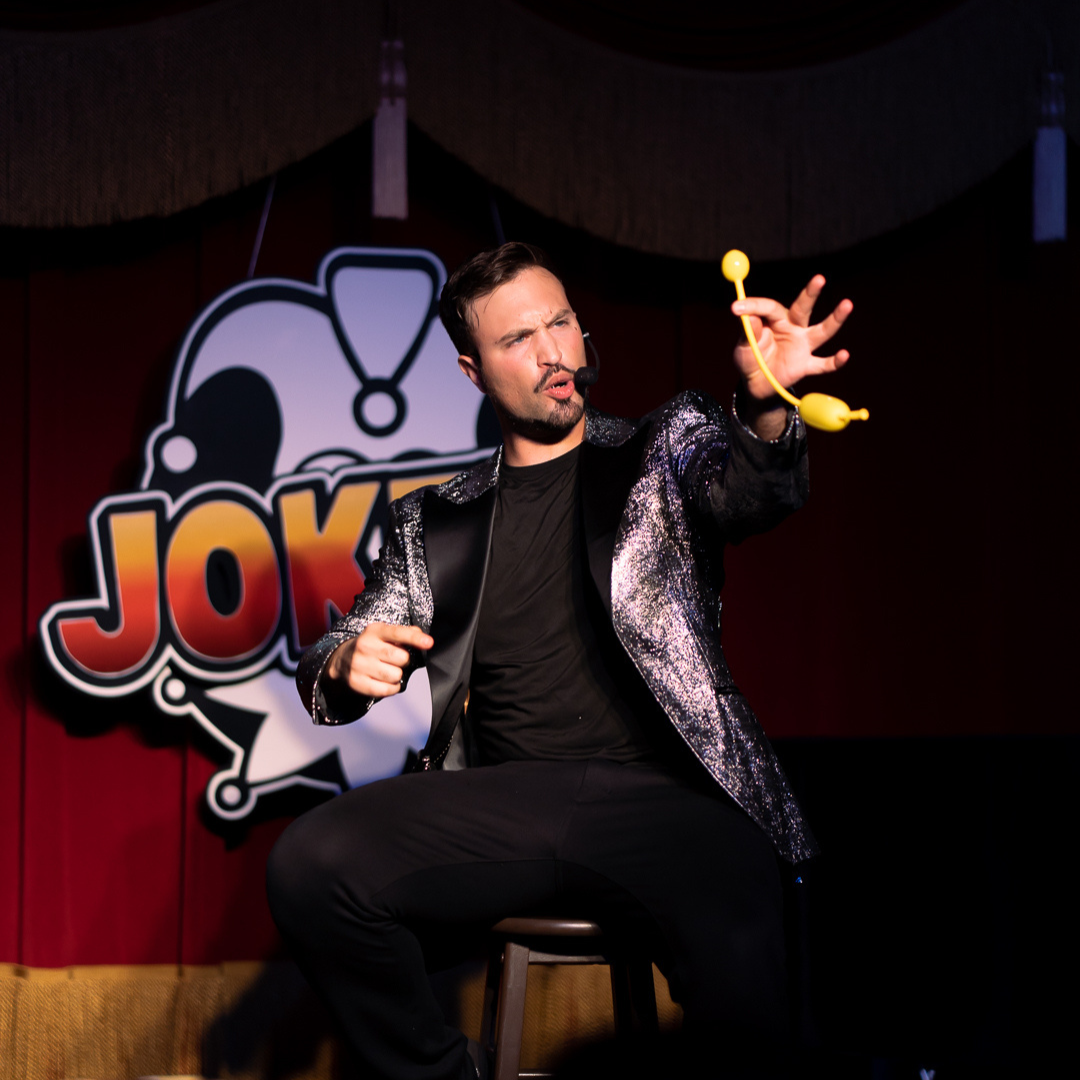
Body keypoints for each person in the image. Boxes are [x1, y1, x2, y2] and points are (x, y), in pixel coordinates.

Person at [267, 242, 854, 1079]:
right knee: (308, 864)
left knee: (746, 939)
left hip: (665, 797)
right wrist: (341, 664)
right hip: (501, 805)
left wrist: (764, 402)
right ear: (473, 372)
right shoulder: (431, 521)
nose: (552, 352)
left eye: (561, 323)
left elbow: (754, 492)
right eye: (518, 339)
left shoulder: (663, 447)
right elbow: (336, 654)